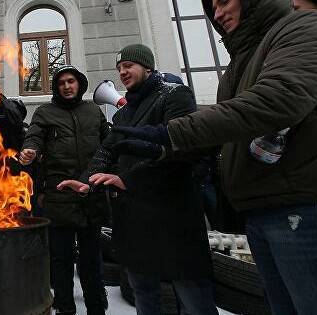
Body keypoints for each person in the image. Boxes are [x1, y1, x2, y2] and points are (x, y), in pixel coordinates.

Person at [102, 0, 317, 313]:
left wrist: (167, 134)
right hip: (263, 208)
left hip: (304, 207)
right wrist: (155, 148)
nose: (217, 13)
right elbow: (220, 141)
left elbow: (278, 99)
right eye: (212, 6)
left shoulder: (308, 25)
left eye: (225, 1)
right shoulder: (240, 63)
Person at [59, 44, 217, 315]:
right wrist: (87, 181)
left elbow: (180, 150)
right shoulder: (123, 113)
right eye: (120, 68)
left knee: (192, 298)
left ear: (148, 67)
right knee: (143, 295)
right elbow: (106, 151)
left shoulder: (175, 95)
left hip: (173, 216)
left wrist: (129, 180)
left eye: (129, 65)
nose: (123, 72)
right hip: (135, 222)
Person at [20, 65, 109, 315]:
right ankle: (65, 308)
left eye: (71, 81)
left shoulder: (93, 110)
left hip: (91, 195)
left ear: (79, 84)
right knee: (61, 260)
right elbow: (34, 138)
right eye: (61, 83)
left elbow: (107, 143)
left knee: (92, 260)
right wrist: (30, 150)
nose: (67, 86)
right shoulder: (45, 112)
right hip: (59, 197)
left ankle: (96, 308)